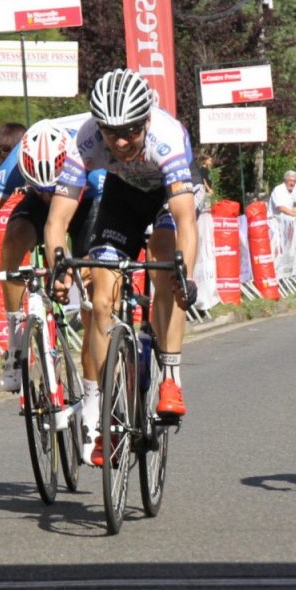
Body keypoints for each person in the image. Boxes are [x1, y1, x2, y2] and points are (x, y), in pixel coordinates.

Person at [45, 68, 197, 467]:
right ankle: (99, 408)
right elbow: (57, 220)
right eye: (113, 133)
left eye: (131, 130)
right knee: (100, 298)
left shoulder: (168, 138)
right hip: (122, 199)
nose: (123, 141)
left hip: (166, 197)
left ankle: (171, 379)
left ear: (146, 120)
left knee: (166, 268)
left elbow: (186, 220)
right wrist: (58, 268)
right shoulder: (86, 140)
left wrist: (187, 275)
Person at [0, 119, 101, 392]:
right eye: (40, 188)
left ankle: (94, 387)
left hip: (86, 199)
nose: (49, 197)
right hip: (38, 202)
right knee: (14, 239)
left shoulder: (89, 158)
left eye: (51, 189)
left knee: (93, 291)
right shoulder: (15, 162)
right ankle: (15, 343)